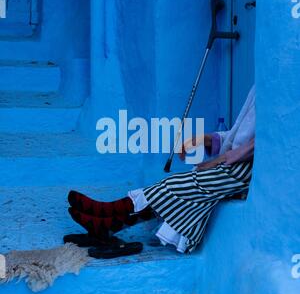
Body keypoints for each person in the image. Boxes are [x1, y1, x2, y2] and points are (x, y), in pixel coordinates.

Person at [66, 85, 255, 257]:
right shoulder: (259, 87)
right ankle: (106, 226)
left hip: (244, 171)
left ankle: (104, 213)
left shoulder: (277, 87)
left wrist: (219, 160)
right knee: (174, 190)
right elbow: (240, 136)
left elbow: (259, 144)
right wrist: (204, 139)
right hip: (234, 164)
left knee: (173, 186)